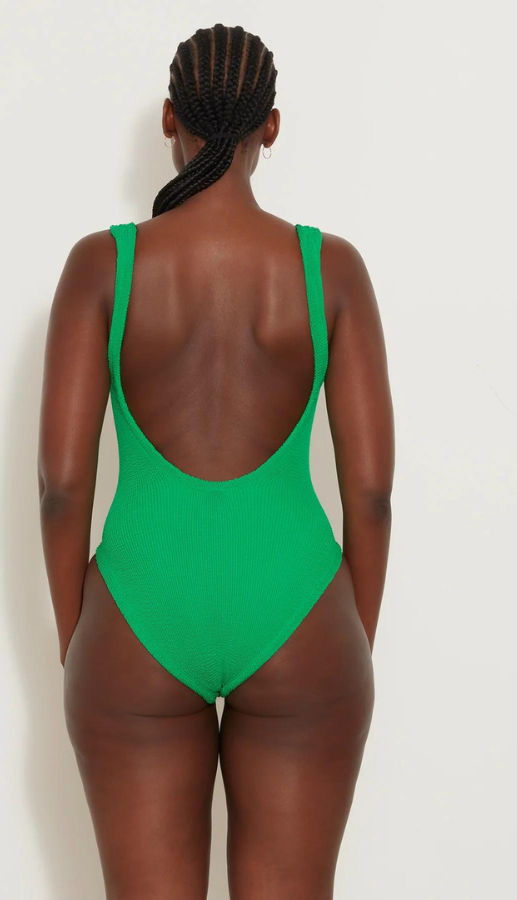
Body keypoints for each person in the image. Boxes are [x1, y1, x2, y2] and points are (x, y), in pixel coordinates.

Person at [38, 22, 394, 900]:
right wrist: (348, 632)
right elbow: (373, 494)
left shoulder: (103, 267)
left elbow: (61, 488)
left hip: (138, 608)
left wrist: (80, 635)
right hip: (299, 605)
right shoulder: (331, 270)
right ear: (271, 126)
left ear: (171, 119)